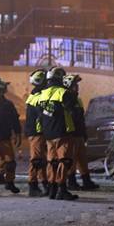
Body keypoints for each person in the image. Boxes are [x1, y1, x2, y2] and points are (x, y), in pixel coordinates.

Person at [38, 66, 79, 201]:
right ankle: (62, 188)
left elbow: (40, 115)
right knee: (64, 160)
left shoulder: (42, 94)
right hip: (63, 131)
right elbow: (72, 107)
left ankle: (52, 189)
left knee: (52, 161)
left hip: (48, 133)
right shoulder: (63, 93)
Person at [63, 74, 99, 191]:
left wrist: (84, 133)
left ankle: (86, 180)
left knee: (82, 159)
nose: (77, 87)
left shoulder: (77, 100)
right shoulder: (66, 99)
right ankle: (71, 182)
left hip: (78, 133)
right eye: (74, 85)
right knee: (72, 159)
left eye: (77, 85)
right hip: (71, 134)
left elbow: (81, 118)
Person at [25, 69, 49, 197]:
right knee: (36, 160)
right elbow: (42, 116)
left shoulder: (33, 96)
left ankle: (44, 183)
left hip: (36, 132)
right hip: (37, 133)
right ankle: (33, 185)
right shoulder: (38, 97)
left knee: (41, 160)